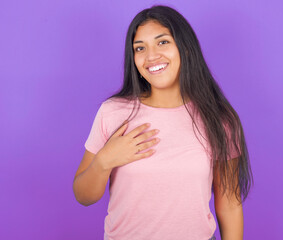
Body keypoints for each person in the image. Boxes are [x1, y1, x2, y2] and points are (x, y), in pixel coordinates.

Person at [73, 5, 253, 240]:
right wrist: (103, 162)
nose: (151, 56)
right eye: (140, 48)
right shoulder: (113, 112)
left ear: (186, 48)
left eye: (163, 42)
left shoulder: (218, 119)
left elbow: (229, 205)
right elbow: (83, 196)